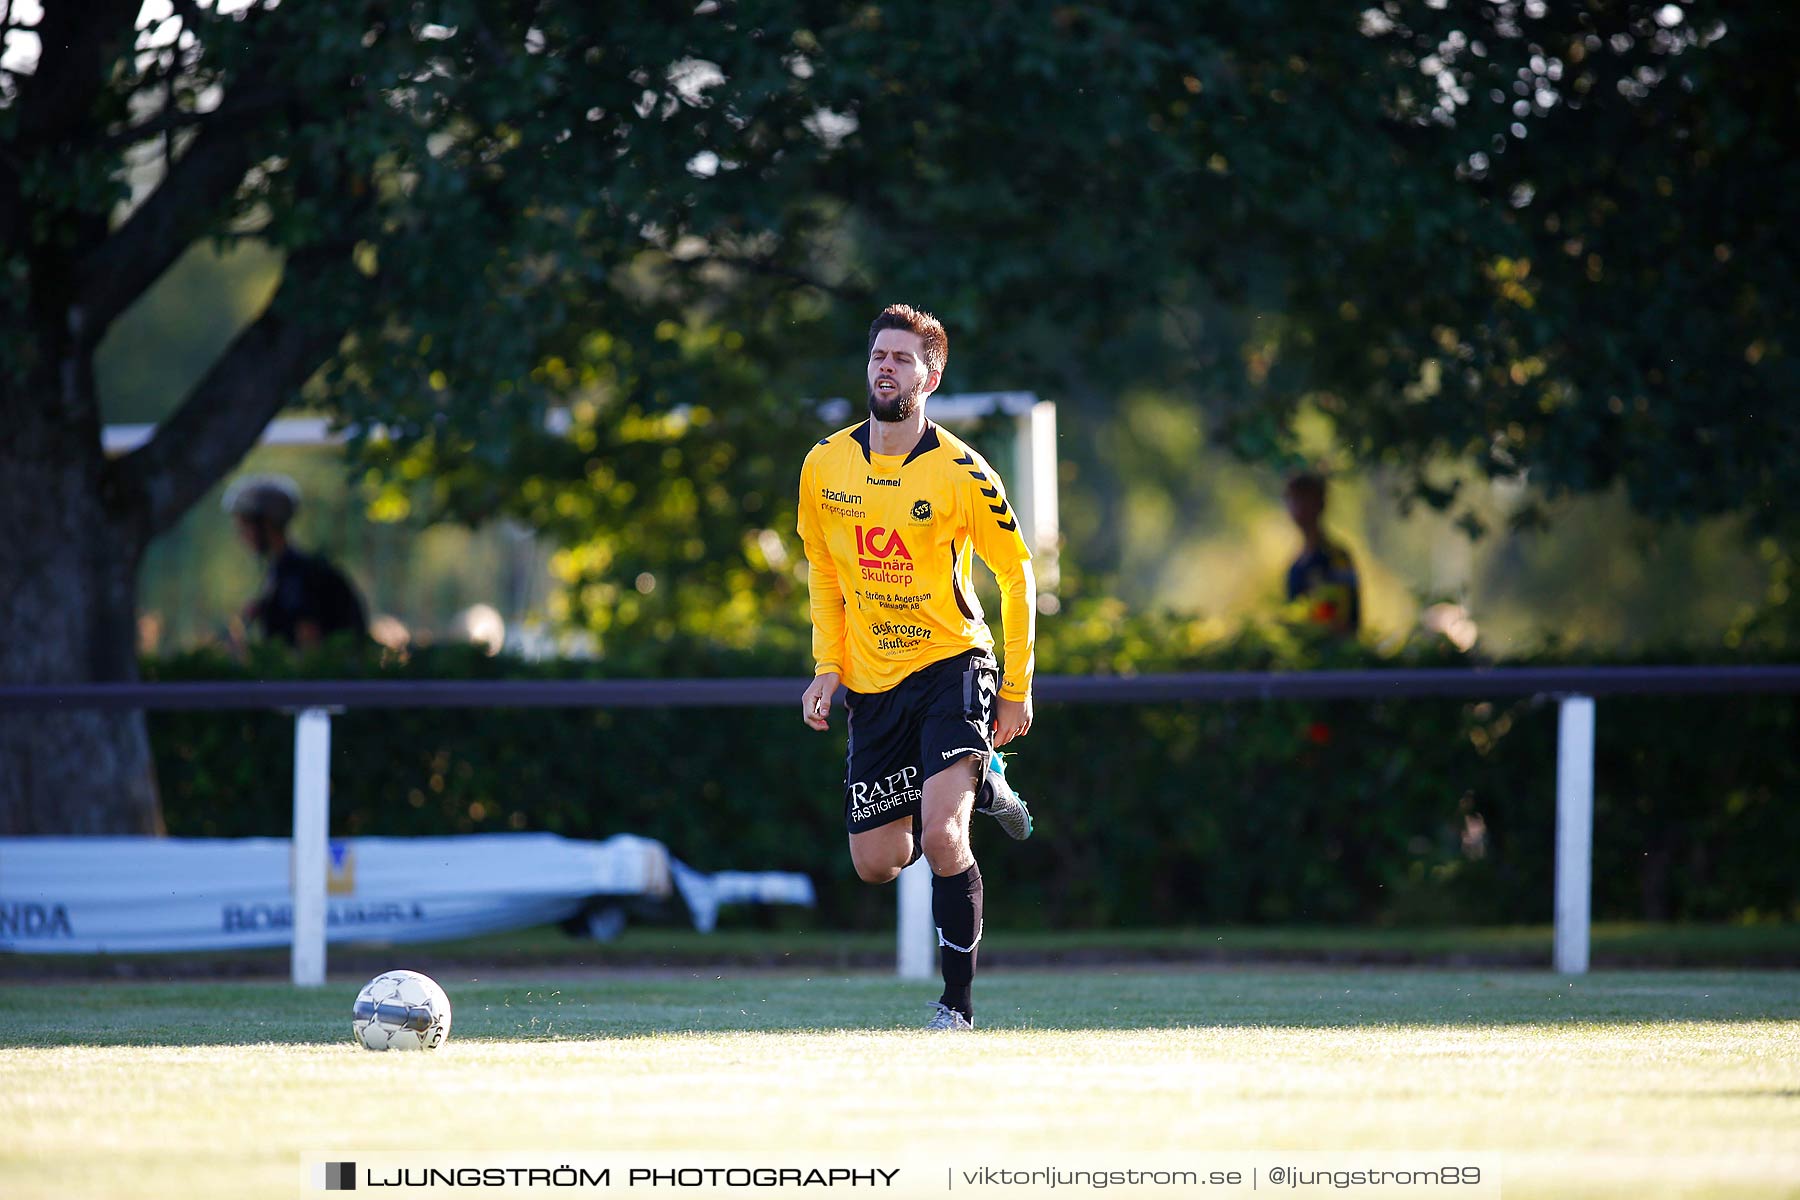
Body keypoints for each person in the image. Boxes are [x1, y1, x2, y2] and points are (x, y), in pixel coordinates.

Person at [797, 304, 1037, 1032]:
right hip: (872, 684)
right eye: (878, 355)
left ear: (931, 377)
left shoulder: (964, 472)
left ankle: (955, 1009)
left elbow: (1017, 574)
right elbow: (824, 572)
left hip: (951, 665)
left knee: (939, 837)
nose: (885, 367)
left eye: (902, 359)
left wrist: (1019, 688)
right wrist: (827, 665)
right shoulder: (824, 464)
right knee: (877, 860)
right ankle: (983, 782)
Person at [223, 474, 370, 650]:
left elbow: (308, 644)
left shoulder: (296, 575)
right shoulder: (284, 571)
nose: (241, 534)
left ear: (266, 524)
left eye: (245, 525)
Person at [1283, 471, 1361, 636]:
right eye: (1293, 498)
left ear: (1320, 503)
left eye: (1305, 498)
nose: (1299, 507)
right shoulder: (1296, 564)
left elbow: (1344, 618)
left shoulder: (1337, 557)